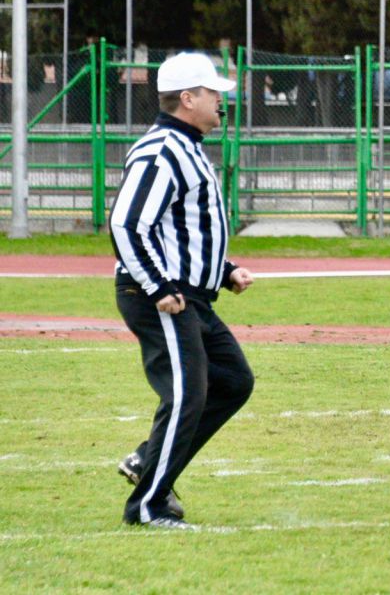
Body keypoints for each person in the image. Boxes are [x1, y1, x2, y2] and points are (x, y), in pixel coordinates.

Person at [109, 52, 256, 530]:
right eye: (213, 92)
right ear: (187, 98)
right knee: (187, 393)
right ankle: (147, 508)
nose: (221, 100)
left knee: (233, 380)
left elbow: (183, 230)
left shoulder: (186, 146)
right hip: (160, 296)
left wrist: (224, 270)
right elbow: (127, 223)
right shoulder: (161, 150)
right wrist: (157, 286)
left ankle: (146, 461)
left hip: (189, 293)